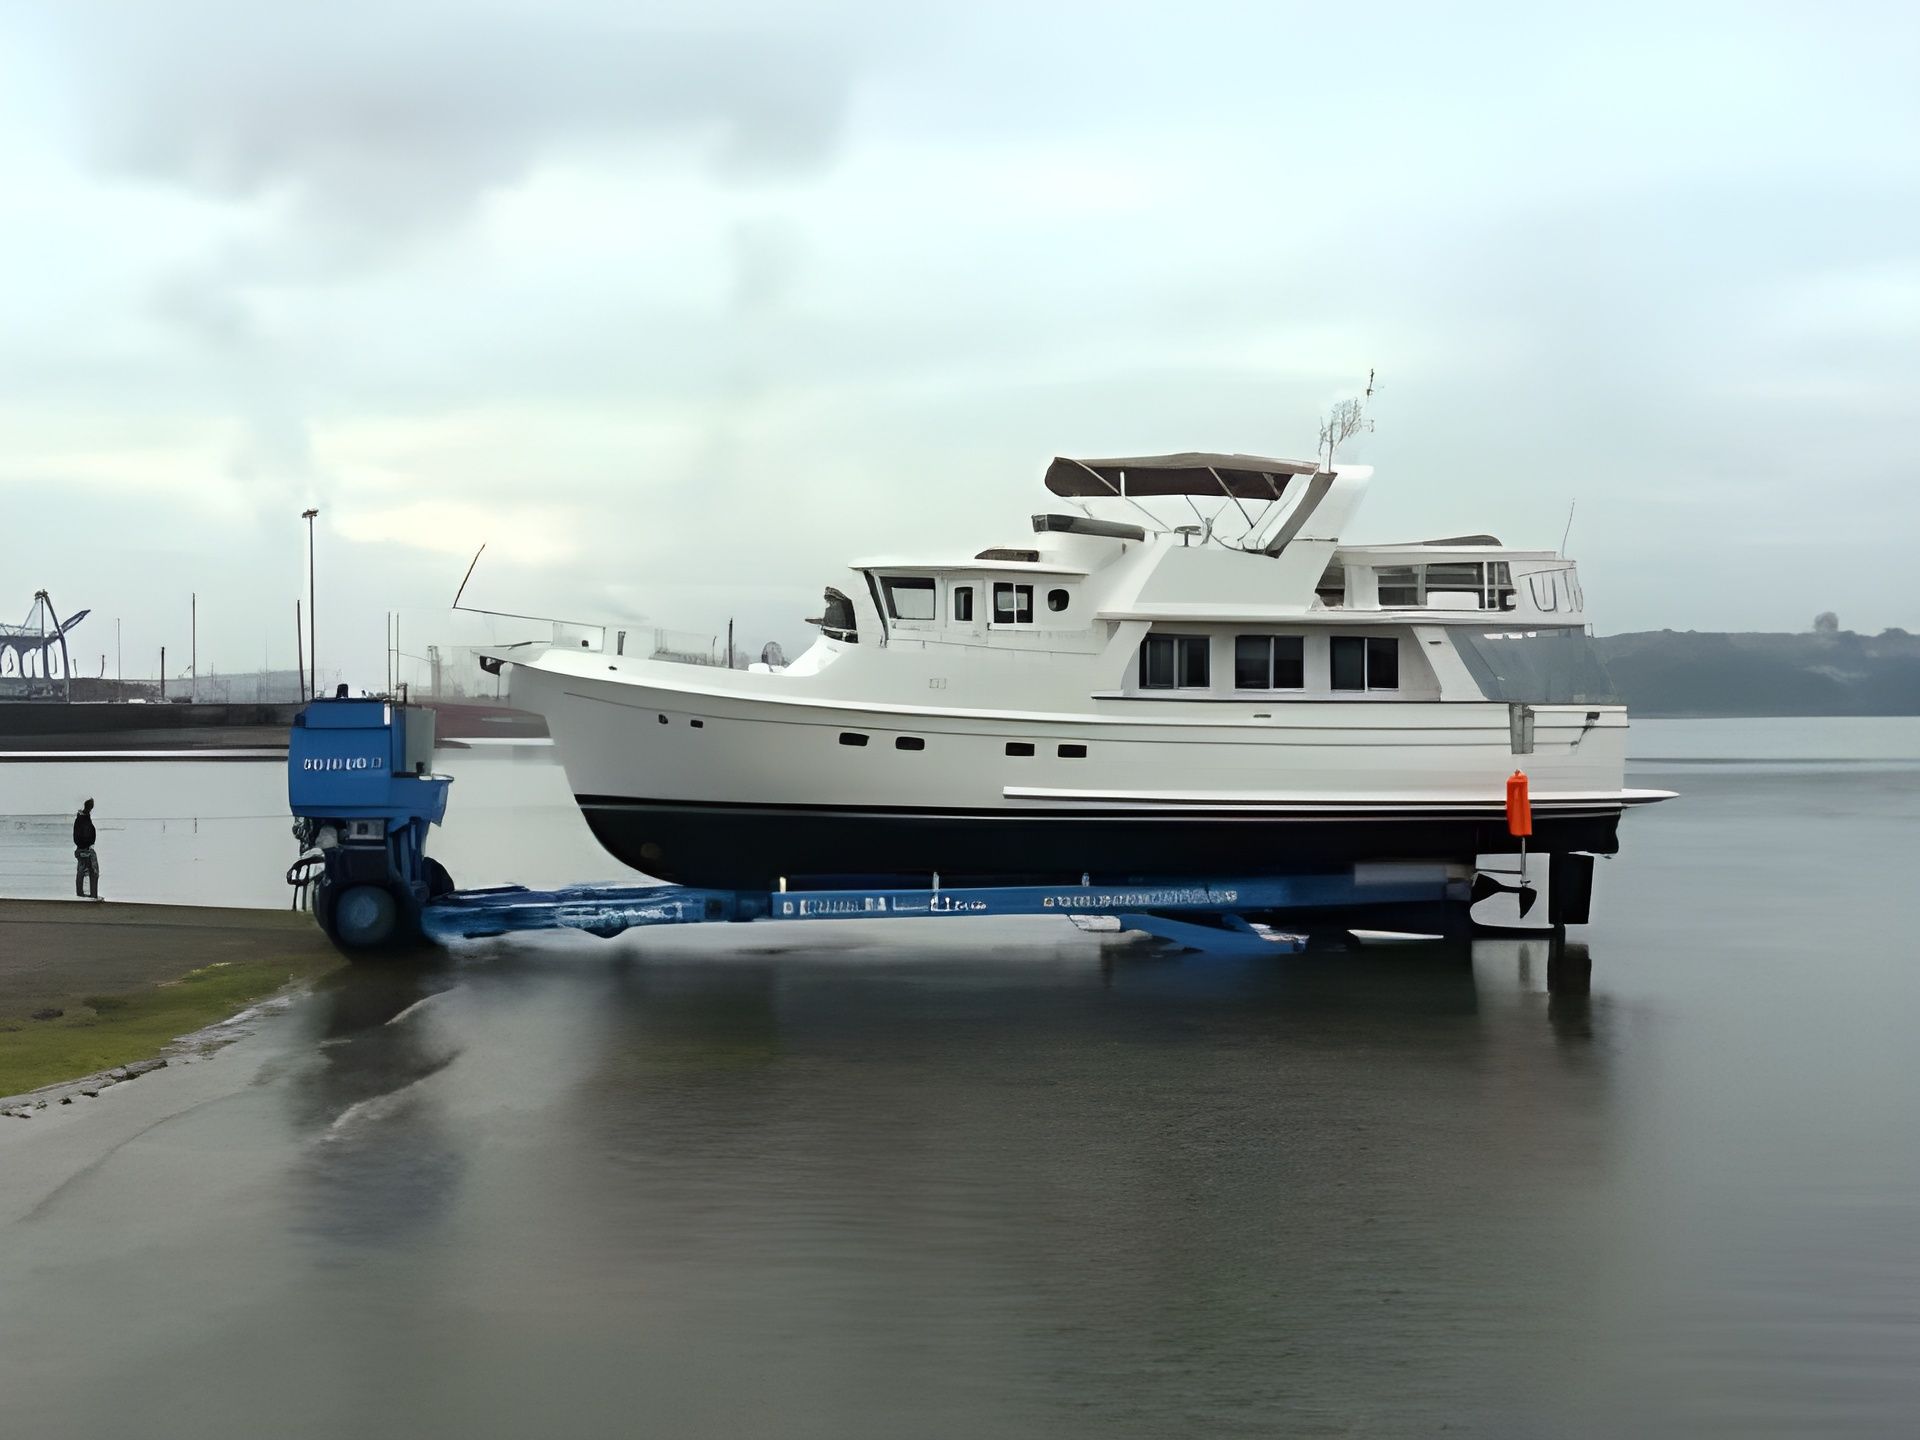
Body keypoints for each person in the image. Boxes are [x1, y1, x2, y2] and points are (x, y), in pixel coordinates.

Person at [73, 798, 100, 900]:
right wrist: (87, 845)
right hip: (84, 849)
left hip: (83, 848)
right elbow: (80, 836)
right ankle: (90, 895)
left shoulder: (83, 818)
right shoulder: (82, 819)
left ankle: (83, 894)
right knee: (93, 871)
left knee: (83, 871)